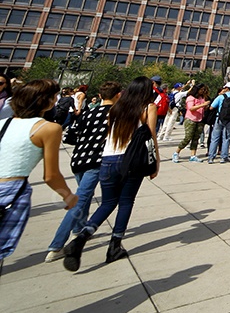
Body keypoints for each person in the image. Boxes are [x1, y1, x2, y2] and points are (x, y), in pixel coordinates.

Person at [63, 77, 161, 271]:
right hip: (130, 162)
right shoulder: (147, 107)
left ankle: (80, 239)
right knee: (125, 202)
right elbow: (151, 136)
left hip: (108, 160)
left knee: (107, 203)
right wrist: (155, 162)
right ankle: (114, 246)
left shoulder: (115, 108)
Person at [0, 80, 78, 271]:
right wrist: (68, 196)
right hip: (11, 191)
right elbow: (50, 175)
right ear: (49, 102)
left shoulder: (3, 123)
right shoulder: (49, 129)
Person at [46, 81, 123, 262]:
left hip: (79, 158)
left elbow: (73, 133)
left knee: (85, 196)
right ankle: (57, 246)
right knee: (80, 200)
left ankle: (78, 230)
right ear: (118, 95)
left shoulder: (89, 111)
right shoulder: (116, 114)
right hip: (96, 161)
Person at [172, 84, 210, 162]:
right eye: (201, 90)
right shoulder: (190, 98)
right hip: (190, 119)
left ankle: (193, 155)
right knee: (188, 137)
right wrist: (202, 105)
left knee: (196, 138)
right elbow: (191, 108)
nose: (202, 91)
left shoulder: (201, 98)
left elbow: (202, 108)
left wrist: (205, 107)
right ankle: (176, 152)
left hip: (199, 119)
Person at [207, 82, 230, 164]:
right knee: (226, 138)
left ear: (227, 88)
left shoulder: (220, 97)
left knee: (215, 138)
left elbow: (211, 107)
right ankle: (224, 157)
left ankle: (211, 157)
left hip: (219, 118)